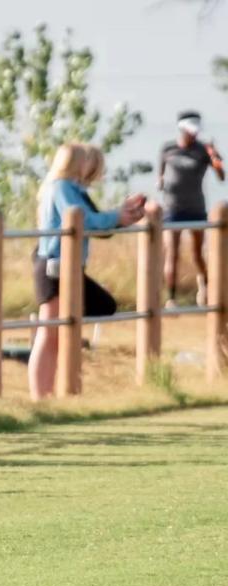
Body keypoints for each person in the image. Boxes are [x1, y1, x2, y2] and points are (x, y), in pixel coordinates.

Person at [28, 143, 145, 400]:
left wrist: (120, 216)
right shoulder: (62, 188)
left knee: (59, 333)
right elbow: (84, 219)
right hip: (54, 265)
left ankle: (49, 396)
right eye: (86, 160)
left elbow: (93, 223)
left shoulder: (69, 188)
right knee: (50, 334)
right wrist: (116, 216)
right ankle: (41, 397)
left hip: (65, 266)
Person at [158, 111, 225, 307]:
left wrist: (213, 154)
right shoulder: (168, 149)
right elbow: (160, 175)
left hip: (195, 208)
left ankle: (204, 287)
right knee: (172, 252)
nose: (193, 135)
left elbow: (221, 175)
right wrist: (161, 182)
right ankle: (171, 298)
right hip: (172, 208)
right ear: (182, 129)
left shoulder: (203, 150)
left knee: (197, 253)